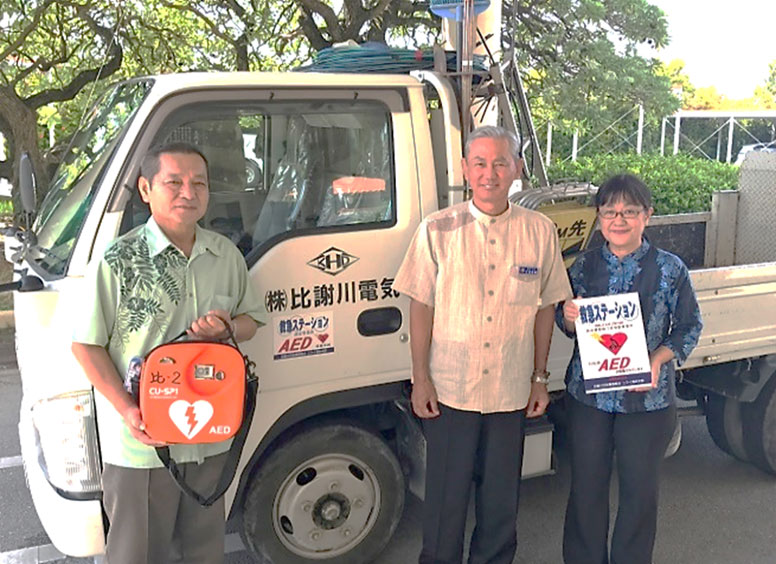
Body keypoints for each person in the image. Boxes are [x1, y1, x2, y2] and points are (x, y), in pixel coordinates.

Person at [71, 142, 264, 564]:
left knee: (204, 549)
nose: (188, 193)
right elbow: (85, 345)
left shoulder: (226, 256)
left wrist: (229, 327)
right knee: (137, 553)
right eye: (173, 182)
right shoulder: (118, 260)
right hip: (143, 442)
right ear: (145, 189)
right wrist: (128, 410)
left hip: (210, 435)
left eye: (199, 183)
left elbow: (252, 321)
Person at [393, 125, 572, 564]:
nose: (489, 173)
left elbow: (546, 308)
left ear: (517, 169)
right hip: (451, 388)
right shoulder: (438, 230)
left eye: (499, 163)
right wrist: (421, 379)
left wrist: (539, 378)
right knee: (444, 500)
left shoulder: (539, 231)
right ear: (465, 170)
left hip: (511, 391)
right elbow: (421, 307)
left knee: (500, 500)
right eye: (480, 163)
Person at [556, 174, 703, 564]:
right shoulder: (582, 267)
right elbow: (565, 324)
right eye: (610, 212)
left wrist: (657, 359)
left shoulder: (671, 270)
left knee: (640, 495)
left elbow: (690, 326)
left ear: (647, 216)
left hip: (648, 402)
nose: (618, 220)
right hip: (589, 398)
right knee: (586, 490)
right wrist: (569, 316)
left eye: (629, 212)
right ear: (599, 217)